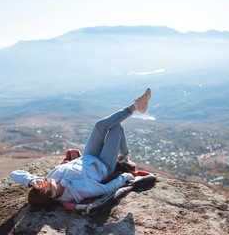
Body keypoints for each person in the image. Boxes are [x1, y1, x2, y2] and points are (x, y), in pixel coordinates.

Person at [10, 88, 151, 211]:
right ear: (52, 196)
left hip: (87, 156)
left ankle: (137, 106)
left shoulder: (48, 181)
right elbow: (106, 189)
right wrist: (125, 177)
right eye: (46, 187)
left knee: (99, 126)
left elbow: (14, 173)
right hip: (103, 165)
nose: (45, 181)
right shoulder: (79, 191)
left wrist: (31, 181)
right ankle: (126, 152)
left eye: (40, 184)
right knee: (116, 128)